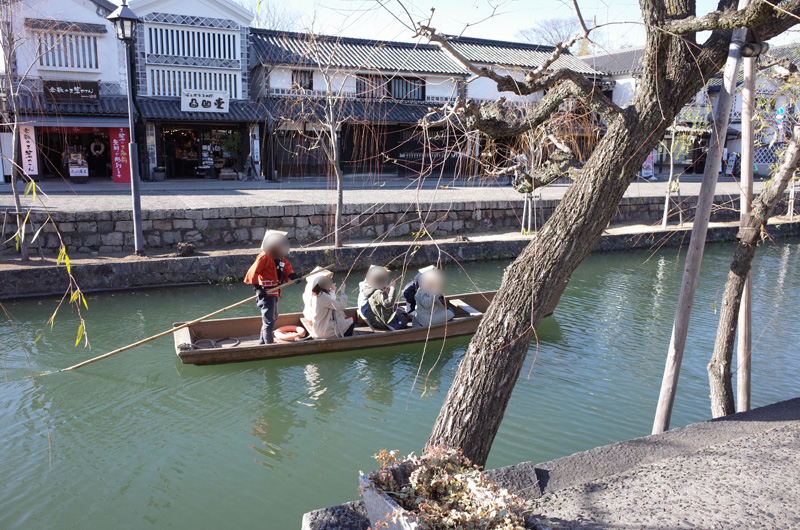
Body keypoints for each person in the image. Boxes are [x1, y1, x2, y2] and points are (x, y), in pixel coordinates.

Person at [244, 230, 302, 344]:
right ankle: (269, 345)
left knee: (272, 318)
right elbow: (253, 272)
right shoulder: (264, 257)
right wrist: (258, 289)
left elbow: (286, 268)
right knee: (269, 321)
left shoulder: (279, 257)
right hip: (267, 294)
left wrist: (293, 276)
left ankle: (262, 342)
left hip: (275, 292)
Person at [358, 265, 409, 331]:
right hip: (380, 322)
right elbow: (388, 304)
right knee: (402, 316)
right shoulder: (377, 292)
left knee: (399, 310)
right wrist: (392, 288)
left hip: (374, 318)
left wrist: (386, 289)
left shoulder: (369, 288)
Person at [305, 273, 355, 339]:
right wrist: (342, 291)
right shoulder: (323, 296)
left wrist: (332, 290)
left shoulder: (316, 295)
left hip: (318, 327)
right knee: (351, 322)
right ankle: (344, 341)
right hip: (324, 330)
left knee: (345, 321)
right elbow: (341, 306)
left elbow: (330, 301)